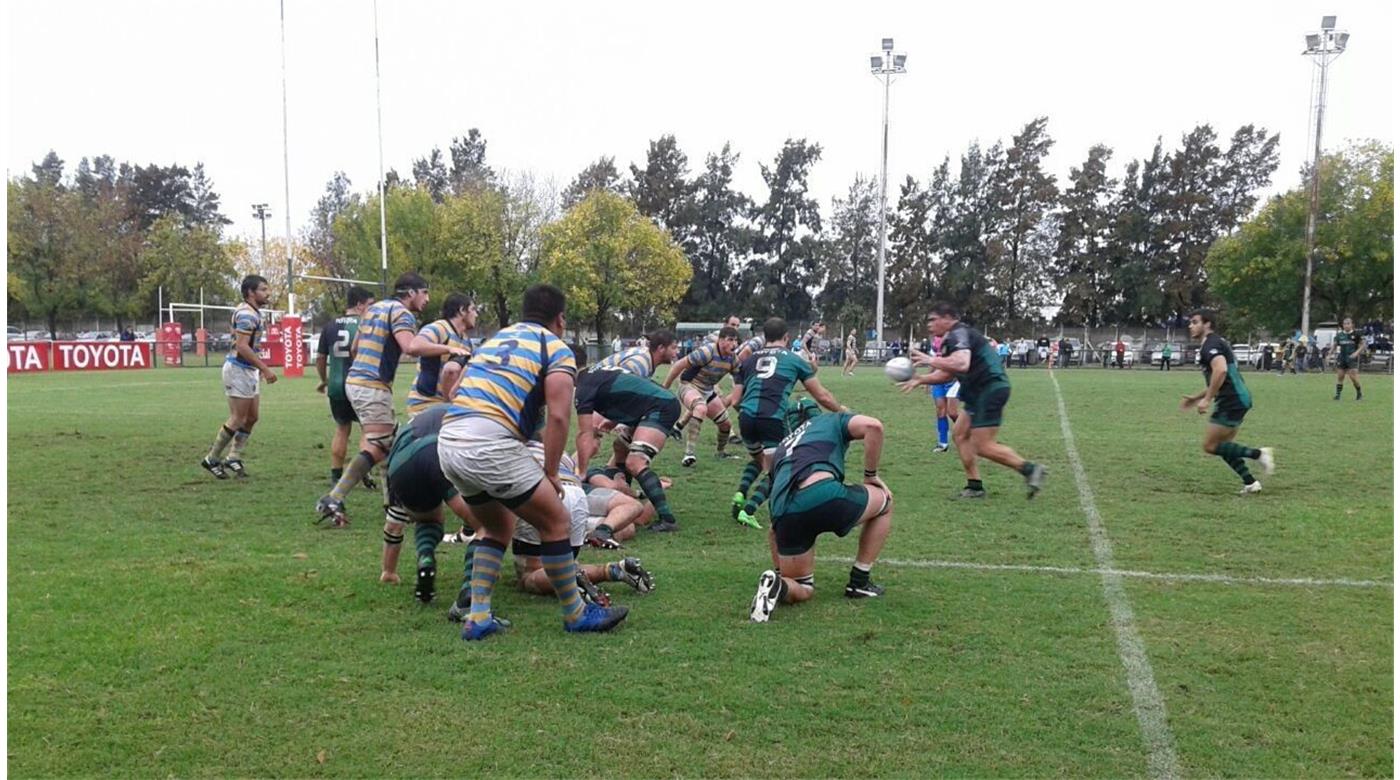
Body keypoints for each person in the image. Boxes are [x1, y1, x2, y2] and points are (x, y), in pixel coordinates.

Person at [438, 283, 627, 640]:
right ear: (560, 319)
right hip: (490, 444)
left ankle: (478, 618)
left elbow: (452, 390)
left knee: (497, 527)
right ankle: (576, 614)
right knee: (556, 520)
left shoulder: (493, 340)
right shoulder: (555, 348)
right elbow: (558, 416)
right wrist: (552, 472)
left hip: (449, 441)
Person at [315, 273, 451, 525]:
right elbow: (411, 347)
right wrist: (448, 348)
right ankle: (334, 497)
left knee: (387, 443)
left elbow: (355, 348)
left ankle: (393, 505)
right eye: (425, 292)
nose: (427, 298)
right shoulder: (402, 314)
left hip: (355, 381)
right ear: (411, 293)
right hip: (371, 385)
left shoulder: (374, 309)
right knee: (379, 446)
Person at [749, 406, 894, 622]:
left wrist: (781, 571)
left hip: (784, 515)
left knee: (802, 587)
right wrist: (870, 475)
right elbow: (873, 426)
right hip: (822, 494)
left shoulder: (783, 446)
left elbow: (773, 530)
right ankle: (859, 582)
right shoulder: (831, 420)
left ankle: (778, 586)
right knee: (886, 502)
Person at [900, 303, 1046, 499]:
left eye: (933, 320)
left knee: (982, 446)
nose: (929, 325)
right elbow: (949, 374)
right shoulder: (949, 340)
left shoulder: (958, 333)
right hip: (977, 392)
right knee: (960, 435)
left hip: (989, 388)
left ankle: (1030, 469)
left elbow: (962, 363)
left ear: (948, 318)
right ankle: (975, 486)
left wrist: (930, 360)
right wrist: (921, 379)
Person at [726, 317, 846, 529]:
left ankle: (740, 493)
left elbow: (735, 400)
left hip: (746, 417)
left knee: (759, 460)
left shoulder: (748, 361)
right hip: (771, 418)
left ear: (765, 337)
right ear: (787, 337)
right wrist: (841, 411)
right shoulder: (793, 359)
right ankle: (748, 510)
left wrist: (749, 413)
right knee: (779, 470)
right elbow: (822, 396)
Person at [379, 405, 483, 599]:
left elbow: (393, 525)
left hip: (400, 465)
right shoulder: (471, 413)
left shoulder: (418, 421)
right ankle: (472, 586)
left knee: (429, 520)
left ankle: (425, 556)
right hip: (438, 452)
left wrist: (388, 571)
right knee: (487, 528)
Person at [574, 361, 685, 532]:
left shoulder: (584, 388)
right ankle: (629, 497)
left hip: (660, 407)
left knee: (635, 462)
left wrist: (581, 472)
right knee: (620, 447)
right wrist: (613, 420)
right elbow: (631, 392)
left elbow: (585, 434)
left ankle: (667, 519)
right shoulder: (596, 372)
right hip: (654, 404)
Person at [1178, 309, 1275, 494]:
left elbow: (1221, 371)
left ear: (1207, 324)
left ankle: (1259, 454)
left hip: (1232, 400)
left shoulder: (1210, 345)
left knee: (1210, 446)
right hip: (1238, 397)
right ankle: (1251, 483)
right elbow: (1221, 378)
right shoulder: (1216, 342)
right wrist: (1196, 398)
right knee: (1224, 447)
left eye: (1195, 321)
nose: (1191, 325)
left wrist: (1207, 400)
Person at [200, 275, 277, 479]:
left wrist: (257, 368)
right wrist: (265, 368)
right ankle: (212, 458)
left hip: (247, 370)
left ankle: (233, 457)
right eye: (263, 289)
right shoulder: (246, 314)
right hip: (237, 369)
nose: (267, 293)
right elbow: (242, 346)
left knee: (252, 417)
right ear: (251, 292)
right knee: (238, 418)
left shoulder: (251, 312)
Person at [315, 285, 377, 490]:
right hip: (361, 385)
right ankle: (363, 473)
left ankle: (336, 475)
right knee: (366, 431)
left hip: (336, 385)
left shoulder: (330, 326)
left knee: (342, 429)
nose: (372, 309)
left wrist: (324, 380)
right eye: (370, 305)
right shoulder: (366, 324)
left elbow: (321, 358)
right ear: (360, 305)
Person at [661, 326, 741, 468]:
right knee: (700, 407)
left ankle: (720, 452)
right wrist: (664, 389)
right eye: (730, 340)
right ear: (721, 341)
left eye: (736, 340)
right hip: (689, 385)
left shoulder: (733, 359)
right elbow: (678, 365)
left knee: (726, 425)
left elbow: (739, 381)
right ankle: (689, 454)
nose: (734, 344)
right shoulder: (707, 352)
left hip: (708, 391)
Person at [405, 293, 477, 419]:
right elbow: (415, 346)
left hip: (445, 406)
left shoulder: (466, 341)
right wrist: (449, 349)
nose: (476, 314)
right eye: (473, 309)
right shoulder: (439, 328)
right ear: (461, 310)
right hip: (425, 406)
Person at [911, 336, 959, 453]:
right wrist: (927, 381)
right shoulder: (936, 341)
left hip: (953, 380)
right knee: (940, 411)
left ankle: (968, 433)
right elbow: (934, 362)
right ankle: (943, 443)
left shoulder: (956, 340)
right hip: (938, 381)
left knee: (952, 413)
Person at [1334, 317, 1366, 401]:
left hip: (1351, 359)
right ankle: (1338, 395)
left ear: (1352, 325)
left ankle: (1359, 393)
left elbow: (1363, 345)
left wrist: (1356, 353)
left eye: (1348, 323)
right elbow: (1334, 345)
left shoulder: (1356, 335)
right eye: (1345, 324)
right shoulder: (1339, 335)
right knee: (1340, 376)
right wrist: (1329, 354)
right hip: (1342, 358)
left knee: (1353, 378)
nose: (1346, 325)